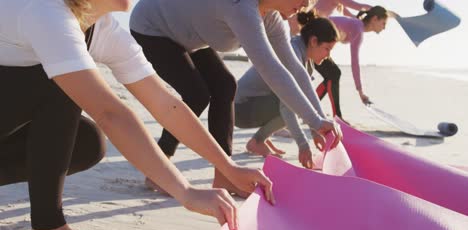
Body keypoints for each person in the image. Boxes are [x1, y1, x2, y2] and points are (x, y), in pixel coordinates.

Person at [0, 0, 275, 230]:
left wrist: (228, 167)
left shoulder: (101, 28)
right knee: (68, 82)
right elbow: (111, 114)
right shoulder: (46, 12)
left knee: (87, 143)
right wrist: (185, 192)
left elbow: (164, 103)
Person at [130, 0, 343, 192]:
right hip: (153, 26)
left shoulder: (272, 18)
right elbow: (272, 70)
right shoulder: (240, 8)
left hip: (189, 36)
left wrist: (318, 120)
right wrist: (313, 120)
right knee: (196, 94)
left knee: (224, 86)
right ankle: (157, 169)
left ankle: (224, 177)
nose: (306, 4)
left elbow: (296, 71)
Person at [235, 11, 338, 168]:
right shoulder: (292, 52)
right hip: (238, 108)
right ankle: (257, 141)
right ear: (313, 41)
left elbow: (308, 96)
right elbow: (289, 106)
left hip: (254, 103)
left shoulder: (305, 59)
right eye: (327, 49)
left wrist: (317, 131)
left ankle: (259, 139)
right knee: (293, 102)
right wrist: (303, 145)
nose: (328, 55)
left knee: (297, 101)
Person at [290, 6, 388, 119]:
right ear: (375, 19)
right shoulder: (358, 28)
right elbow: (354, 60)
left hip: (315, 43)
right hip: (313, 44)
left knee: (333, 74)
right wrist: (360, 91)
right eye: (383, 23)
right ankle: (335, 116)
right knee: (334, 73)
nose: (384, 27)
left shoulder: (356, 24)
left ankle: (308, 109)